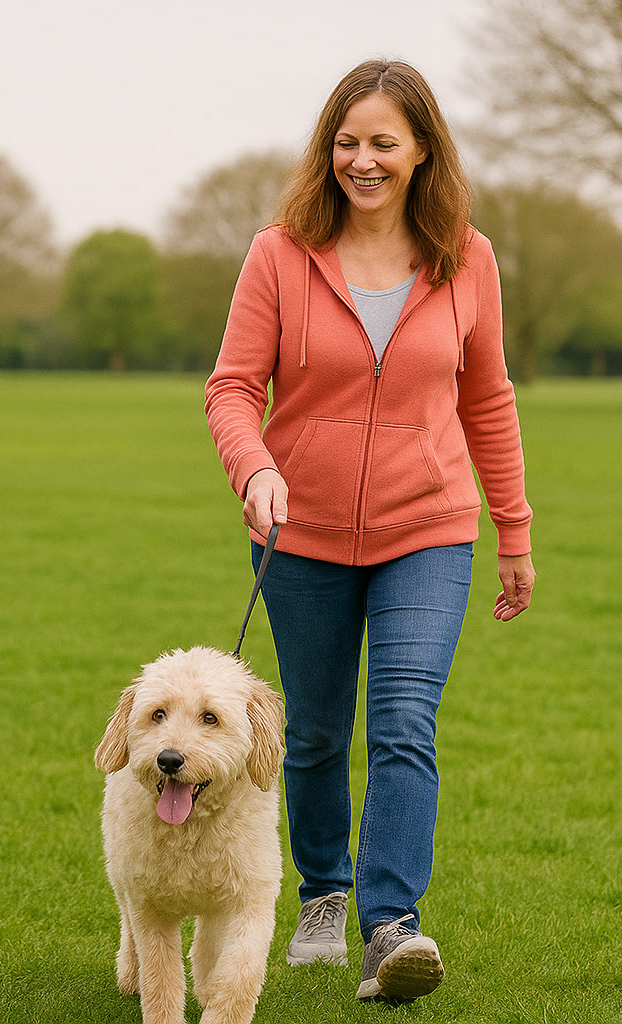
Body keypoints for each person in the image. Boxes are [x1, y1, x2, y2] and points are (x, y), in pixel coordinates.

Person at [205, 59, 535, 1006]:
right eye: (348, 143)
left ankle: (390, 925)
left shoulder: (469, 260)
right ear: (328, 151)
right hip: (298, 530)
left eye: (384, 143)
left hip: (428, 528)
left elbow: (490, 400)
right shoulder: (280, 253)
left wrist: (512, 529)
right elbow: (232, 388)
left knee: (402, 722)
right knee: (312, 732)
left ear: (423, 150)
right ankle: (322, 890)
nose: (364, 160)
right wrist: (256, 468)